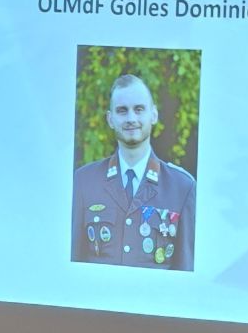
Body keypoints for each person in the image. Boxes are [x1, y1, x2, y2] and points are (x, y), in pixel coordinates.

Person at [72, 72, 196, 270]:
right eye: (122, 111)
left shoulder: (182, 188)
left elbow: (185, 271)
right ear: (110, 119)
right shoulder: (84, 182)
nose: (131, 118)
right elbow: (73, 265)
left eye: (139, 109)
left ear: (153, 115)